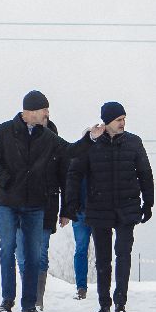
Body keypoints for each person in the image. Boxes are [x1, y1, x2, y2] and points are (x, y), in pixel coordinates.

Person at [0, 90, 69, 312]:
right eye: (45, 110)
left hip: (35, 203)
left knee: (33, 254)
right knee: (7, 248)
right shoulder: (3, 131)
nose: (47, 114)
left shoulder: (46, 136)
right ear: (30, 111)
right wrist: (7, 181)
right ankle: (7, 300)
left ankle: (29, 305)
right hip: (8, 202)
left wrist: (91, 138)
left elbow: (69, 152)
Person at [64, 102, 154, 312]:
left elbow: (145, 173)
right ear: (107, 122)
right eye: (118, 120)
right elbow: (74, 174)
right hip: (98, 207)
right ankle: (104, 303)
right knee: (103, 258)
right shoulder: (91, 144)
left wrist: (148, 203)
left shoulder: (134, 142)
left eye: (124, 119)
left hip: (127, 206)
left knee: (123, 253)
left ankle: (120, 303)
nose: (122, 123)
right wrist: (71, 205)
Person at [14, 117, 67, 310]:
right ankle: (29, 292)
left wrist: (66, 209)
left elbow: (65, 177)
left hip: (47, 204)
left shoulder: (55, 142)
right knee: (21, 253)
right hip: (19, 204)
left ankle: (36, 299)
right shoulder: (18, 139)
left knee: (40, 252)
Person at [70, 128, 92, 300]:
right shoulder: (75, 161)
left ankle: (102, 286)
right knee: (81, 249)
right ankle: (81, 287)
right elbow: (70, 185)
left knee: (101, 250)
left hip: (98, 212)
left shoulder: (102, 160)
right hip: (80, 212)